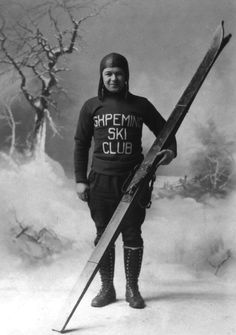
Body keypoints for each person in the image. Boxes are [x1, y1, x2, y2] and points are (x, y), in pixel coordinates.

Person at [74, 52, 177, 309]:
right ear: (101, 76)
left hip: (134, 180)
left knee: (132, 234)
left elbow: (167, 131)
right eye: (108, 73)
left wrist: (170, 151)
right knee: (103, 234)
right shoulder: (91, 106)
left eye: (118, 73)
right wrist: (80, 180)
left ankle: (132, 288)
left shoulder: (140, 105)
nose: (113, 78)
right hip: (100, 181)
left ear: (126, 76)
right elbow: (80, 144)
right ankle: (107, 289)